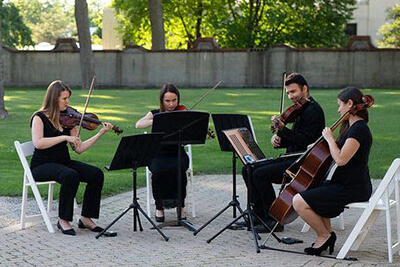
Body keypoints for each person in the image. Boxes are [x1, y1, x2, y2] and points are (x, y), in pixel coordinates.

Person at [241, 73, 325, 233]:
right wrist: (280, 141)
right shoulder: (301, 110)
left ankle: (273, 219)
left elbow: (304, 141)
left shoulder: (313, 111)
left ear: (305, 89)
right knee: (249, 168)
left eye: (293, 92)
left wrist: (282, 130)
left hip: (301, 163)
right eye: (288, 93)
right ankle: (257, 215)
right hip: (290, 157)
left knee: (259, 174)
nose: (290, 96)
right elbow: (293, 139)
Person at [293, 87, 373, 255]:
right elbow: (336, 151)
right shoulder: (350, 127)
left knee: (298, 201)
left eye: (340, 105)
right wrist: (318, 147)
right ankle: (326, 236)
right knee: (313, 191)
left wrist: (329, 138)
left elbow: (341, 159)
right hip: (343, 183)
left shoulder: (359, 130)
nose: (338, 109)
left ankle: (324, 236)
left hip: (353, 187)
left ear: (350, 104)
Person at [30, 80, 115, 236]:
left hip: (63, 163)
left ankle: (86, 218)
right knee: (70, 175)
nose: (68, 102)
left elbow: (79, 149)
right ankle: (63, 220)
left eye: (68, 98)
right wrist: (64, 138)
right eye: (64, 98)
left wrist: (99, 133)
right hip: (42, 166)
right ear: (54, 98)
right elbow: (39, 143)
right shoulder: (39, 117)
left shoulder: (70, 120)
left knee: (96, 174)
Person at [136, 83, 189, 222]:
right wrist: (158, 118)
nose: (171, 104)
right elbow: (139, 124)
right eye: (167, 101)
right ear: (162, 101)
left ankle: (180, 206)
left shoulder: (183, 112)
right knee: (158, 170)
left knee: (180, 169)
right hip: (157, 154)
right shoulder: (155, 113)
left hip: (177, 152)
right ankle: (159, 207)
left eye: (174, 100)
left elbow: (190, 135)